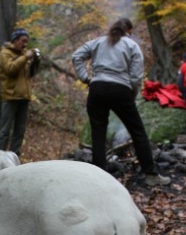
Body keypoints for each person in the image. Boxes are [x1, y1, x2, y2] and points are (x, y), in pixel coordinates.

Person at [72, 17, 170, 187]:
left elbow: (77, 56)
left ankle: (99, 177)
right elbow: (136, 77)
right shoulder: (131, 45)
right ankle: (150, 174)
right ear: (129, 31)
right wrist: (131, 95)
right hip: (120, 90)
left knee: (98, 133)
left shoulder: (98, 42)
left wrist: (85, 78)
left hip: (97, 89)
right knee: (137, 131)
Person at [0, 28, 39, 157]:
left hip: (24, 97)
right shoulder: (5, 53)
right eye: (22, 41)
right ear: (15, 40)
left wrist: (35, 61)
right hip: (10, 97)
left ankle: (14, 158)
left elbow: (29, 75)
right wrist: (25, 57)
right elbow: (10, 69)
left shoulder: (24, 54)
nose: (25, 44)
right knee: (5, 131)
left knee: (20, 131)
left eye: (26, 42)